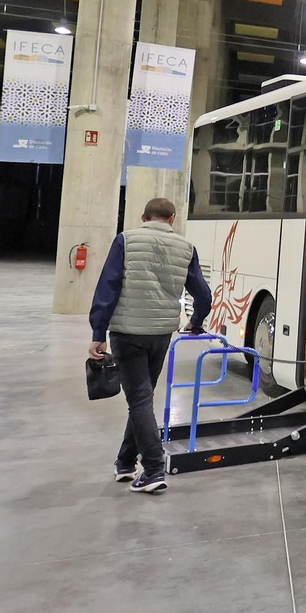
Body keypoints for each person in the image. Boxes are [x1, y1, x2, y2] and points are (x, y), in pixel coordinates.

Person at [88, 198, 213, 494]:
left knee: (139, 400)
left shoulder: (125, 240)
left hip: (127, 333)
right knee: (142, 397)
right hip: (160, 334)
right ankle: (125, 463)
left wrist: (97, 332)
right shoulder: (186, 248)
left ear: (144, 217)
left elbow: (108, 286)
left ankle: (155, 468)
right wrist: (194, 322)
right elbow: (204, 295)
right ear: (171, 218)